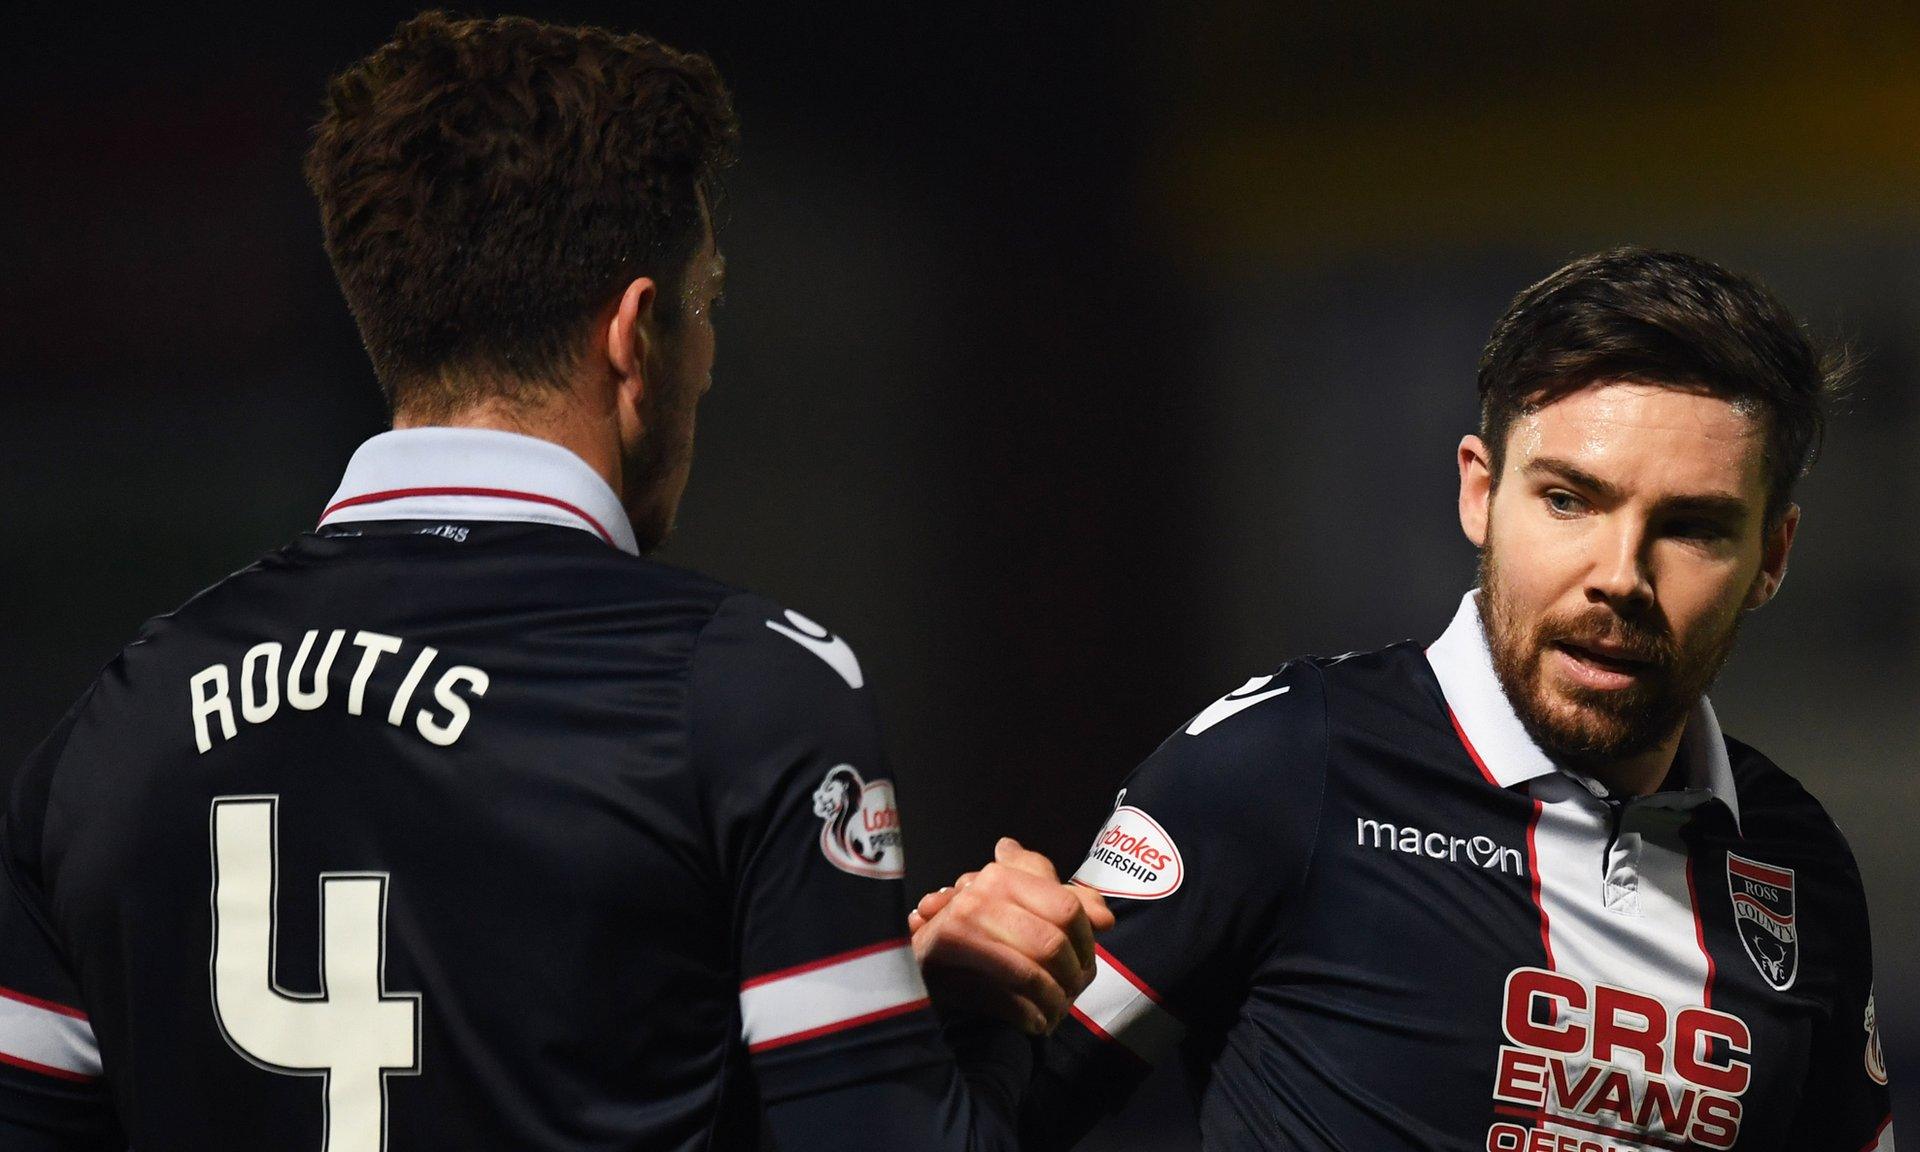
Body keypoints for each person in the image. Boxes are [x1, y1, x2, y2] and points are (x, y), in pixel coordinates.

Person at [0, 13, 1100, 1150]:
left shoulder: (107, 735)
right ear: (634, 334)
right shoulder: (740, 692)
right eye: (706, 302)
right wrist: (970, 1027)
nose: (708, 358)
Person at [913, 249, 1897, 1150]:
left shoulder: (1793, 863)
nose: (1618, 576)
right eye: (1567, 500)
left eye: (1690, 527)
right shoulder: (1288, 765)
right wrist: (938, 1007)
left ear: (1769, 558)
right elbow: (974, 1124)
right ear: (1479, 493)